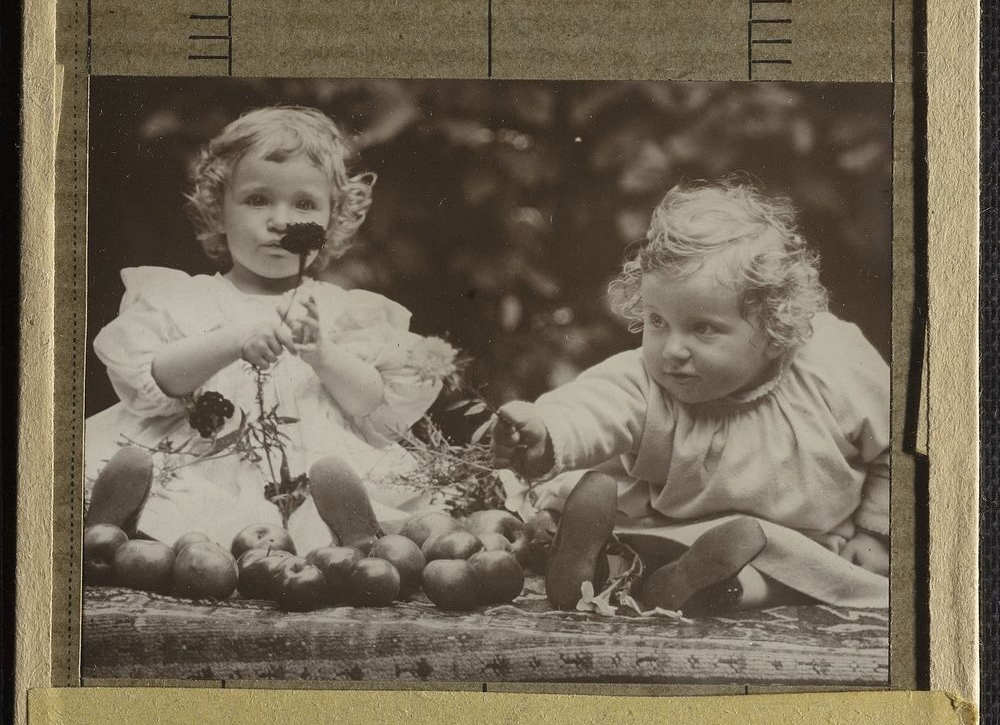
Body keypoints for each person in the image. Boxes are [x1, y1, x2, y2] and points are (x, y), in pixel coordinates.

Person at [493, 179, 890, 614]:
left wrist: (875, 533)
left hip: (799, 541)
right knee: (629, 535)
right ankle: (589, 564)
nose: (672, 350)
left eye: (703, 328)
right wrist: (545, 432)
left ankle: (696, 585)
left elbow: (896, 448)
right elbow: (594, 405)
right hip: (665, 527)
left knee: (800, 576)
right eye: (658, 321)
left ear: (776, 331)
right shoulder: (649, 381)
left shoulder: (835, 367)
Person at [85, 106, 455, 554]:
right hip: (203, 462)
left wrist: (323, 354)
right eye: (258, 199)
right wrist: (232, 340)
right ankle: (117, 526)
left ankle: (352, 537)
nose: (281, 220)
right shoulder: (182, 299)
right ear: (218, 211)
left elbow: (372, 404)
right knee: (173, 497)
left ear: (330, 222)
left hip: (306, 473)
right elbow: (154, 382)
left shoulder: (344, 312)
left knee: (333, 485)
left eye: (304, 204)